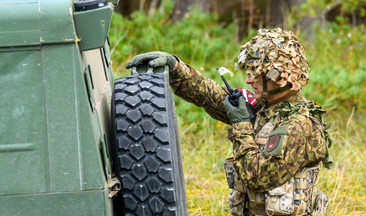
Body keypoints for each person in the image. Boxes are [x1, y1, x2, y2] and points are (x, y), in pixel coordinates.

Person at [126, 28, 333, 216]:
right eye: (249, 72)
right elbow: (213, 97)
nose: (249, 80)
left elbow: (258, 177)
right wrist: (176, 68)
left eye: (257, 74)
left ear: (281, 78)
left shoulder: (300, 126)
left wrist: (241, 124)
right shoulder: (267, 107)